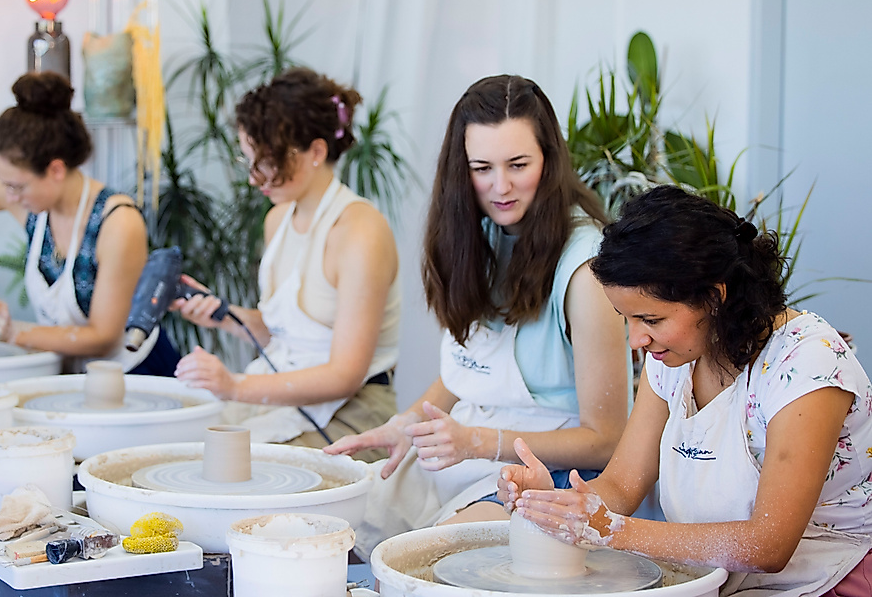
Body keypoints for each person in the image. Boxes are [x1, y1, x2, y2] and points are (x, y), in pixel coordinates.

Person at [502, 185, 872, 596]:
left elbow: (768, 545)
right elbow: (623, 485)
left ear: (714, 297)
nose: (635, 340)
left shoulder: (807, 364)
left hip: (828, 579)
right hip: (718, 577)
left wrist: (612, 531)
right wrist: (555, 504)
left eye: (651, 319)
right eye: (626, 318)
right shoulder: (674, 358)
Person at [324, 74, 632, 558]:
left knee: (433, 562)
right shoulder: (477, 235)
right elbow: (467, 368)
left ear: (549, 160)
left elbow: (607, 440)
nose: (500, 186)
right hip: (471, 446)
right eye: (482, 168)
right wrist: (408, 423)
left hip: (549, 472)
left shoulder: (586, 269)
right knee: (327, 527)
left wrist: (479, 442)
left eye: (518, 165)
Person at [171, 67, 400, 458]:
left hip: (354, 414)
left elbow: (345, 375)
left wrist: (235, 386)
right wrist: (224, 316)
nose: (255, 178)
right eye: (250, 161)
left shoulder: (360, 231)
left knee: (220, 461)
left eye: (268, 161)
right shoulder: (278, 220)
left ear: (316, 151)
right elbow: (288, 337)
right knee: (176, 441)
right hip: (289, 400)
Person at [0, 72, 178, 375]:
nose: (8, 195)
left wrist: (13, 332)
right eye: (3, 184)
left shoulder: (118, 223)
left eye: (16, 186)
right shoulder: (22, 196)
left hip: (133, 373)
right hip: (73, 371)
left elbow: (103, 336)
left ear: (56, 170)